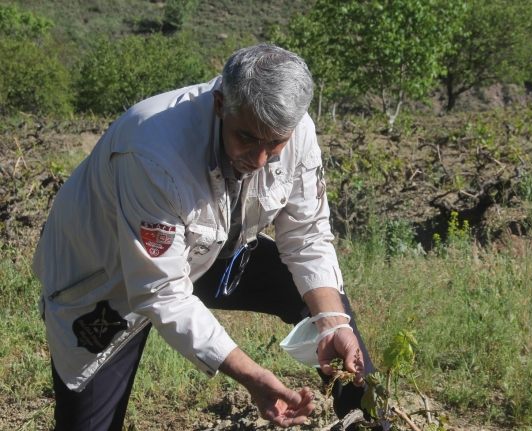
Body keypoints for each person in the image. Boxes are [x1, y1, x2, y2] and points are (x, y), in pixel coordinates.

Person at [32, 43, 374, 430]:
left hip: (213, 250)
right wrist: (251, 376)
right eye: (247, 138)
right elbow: (161, 291)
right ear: (219, 104)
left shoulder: (297, 131)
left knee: (329, 305)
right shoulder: (151, 152)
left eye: (274, 144)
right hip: (108, 280)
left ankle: (368, 418)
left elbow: (307, 236)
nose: (260, 159)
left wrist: (331, 322)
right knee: (89, 423)